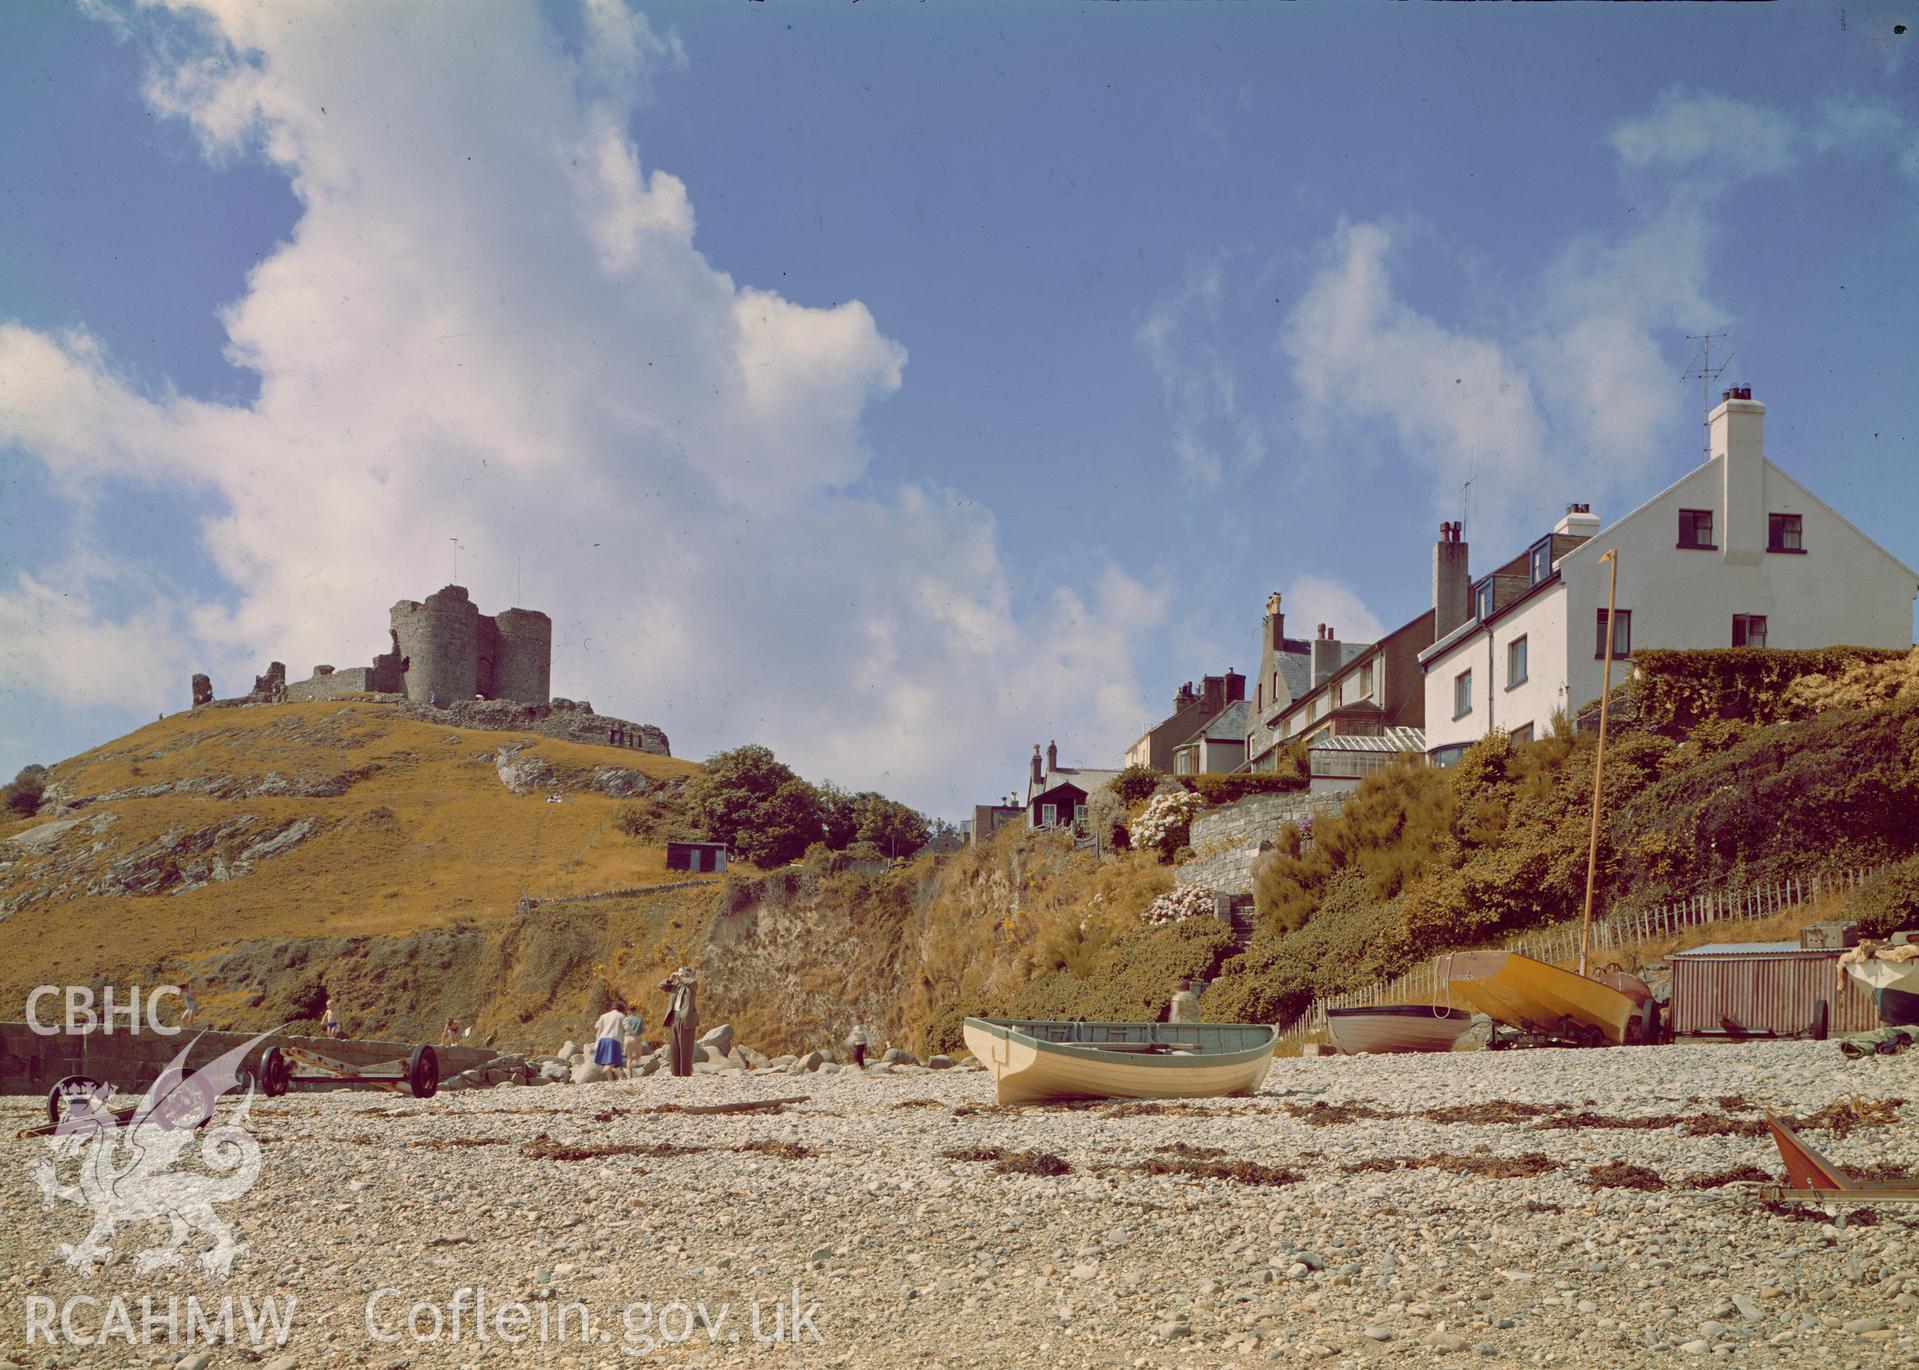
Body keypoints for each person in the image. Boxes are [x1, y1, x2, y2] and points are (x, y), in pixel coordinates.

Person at [658, 967, 699, 1077]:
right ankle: (675, 1074)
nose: (679, 974)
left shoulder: (692, 984)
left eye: (682, 973)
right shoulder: (676, 986)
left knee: (685, 1047)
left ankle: (685, 1074)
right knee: (674, 1047)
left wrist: (681, 977)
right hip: (674, 1018)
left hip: (686, 1018)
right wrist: (670, 979)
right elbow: (661, 985)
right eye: (679, 972)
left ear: (687, 975)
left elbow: (691, 982)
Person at [592, 997, 629, 1073]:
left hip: (602, 1040)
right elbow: (627, 1028)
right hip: (613, 1040)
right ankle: (605, 1072)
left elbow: (596, 1026)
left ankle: (610, 1081)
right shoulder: (621, 1016)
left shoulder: (604, 1016)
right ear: (621, 1008)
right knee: (613, 1062)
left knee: (606, 1062)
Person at [621, 1005, 646, 1078]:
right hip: (636, 1038)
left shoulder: (626, 1019)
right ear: (635, 1010)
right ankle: (637, 1073)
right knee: (638, 1056)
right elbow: (643, 1030)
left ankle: (630, 1075)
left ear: (628, 1011)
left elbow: (624, 1028)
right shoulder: (639, 1019)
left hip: (627, 1038)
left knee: (629, 1057)